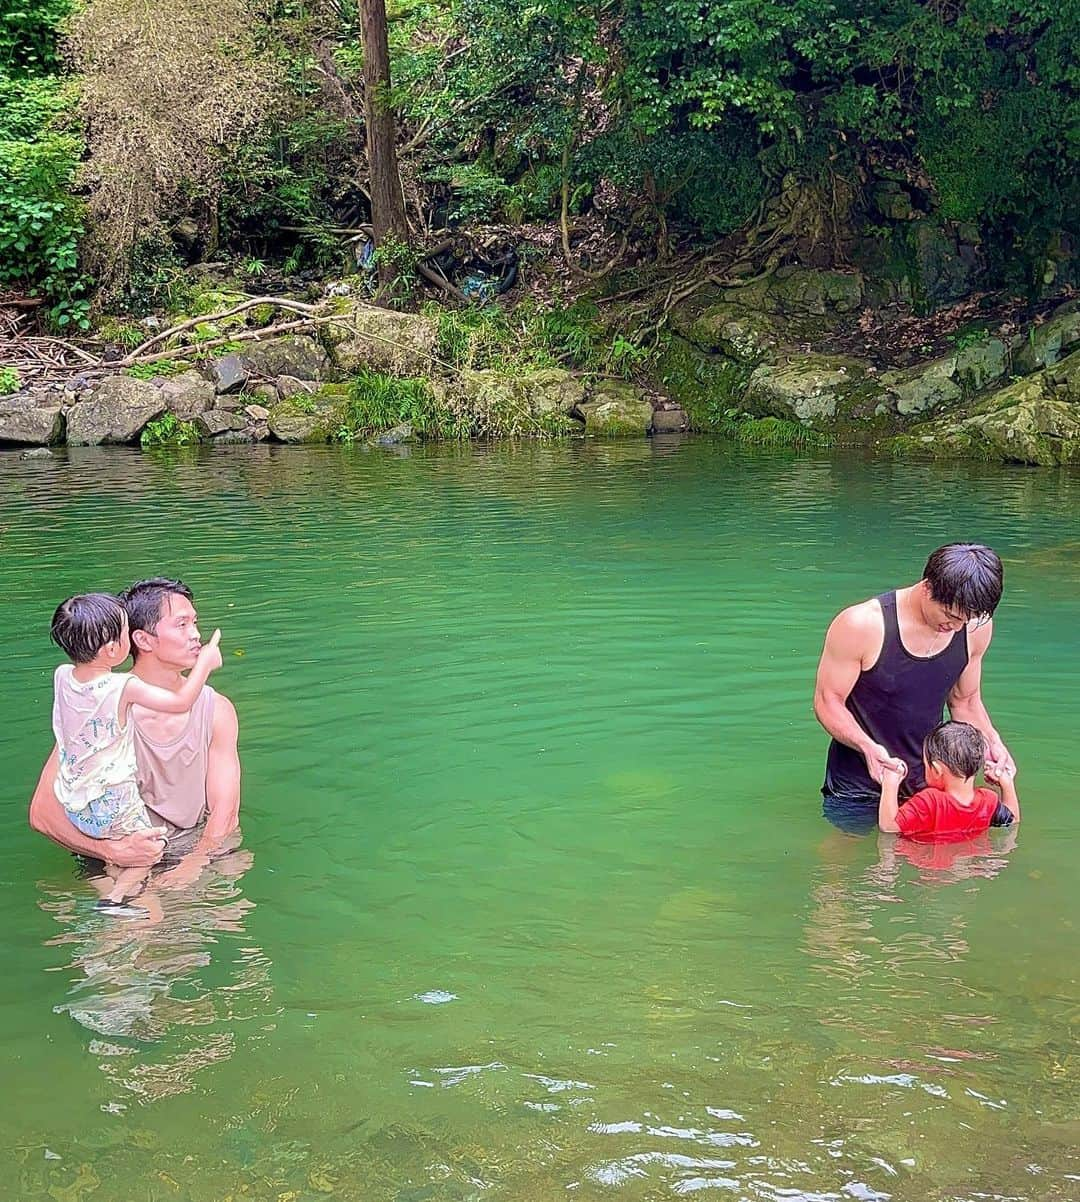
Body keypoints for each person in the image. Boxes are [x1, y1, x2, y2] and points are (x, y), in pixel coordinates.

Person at [30, 578, 241, 876]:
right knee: (135, 920)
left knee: (231, 902)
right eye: (181, 625)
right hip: (117, 856)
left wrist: (190, 868)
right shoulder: (100, 709)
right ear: (142, 640)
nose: (196, 635)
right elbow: (43, 814)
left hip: (197, 849)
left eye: (195, 622)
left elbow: (226, 813)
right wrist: (110, 851)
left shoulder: (217, 709)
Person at [814, 543, 1014, 826]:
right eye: (950, 615)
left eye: (966, 619)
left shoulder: (975, 627)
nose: (957, 627)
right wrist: (868, 748)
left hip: (931, 780)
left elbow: (965, 702)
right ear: (927, 587)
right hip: (860, 777)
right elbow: (827, 701)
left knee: (929, 863)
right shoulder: (861, 625)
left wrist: (993, 743)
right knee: (846, 860)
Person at [878, 720, 1020, 838]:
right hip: (971, 866)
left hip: (929, 867)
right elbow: (1012, 820)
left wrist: (889, 783)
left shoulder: (929, 801)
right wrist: (1006, 783)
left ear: (936, 770)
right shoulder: (988, 802)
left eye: (925, 764)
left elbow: (889, 827)